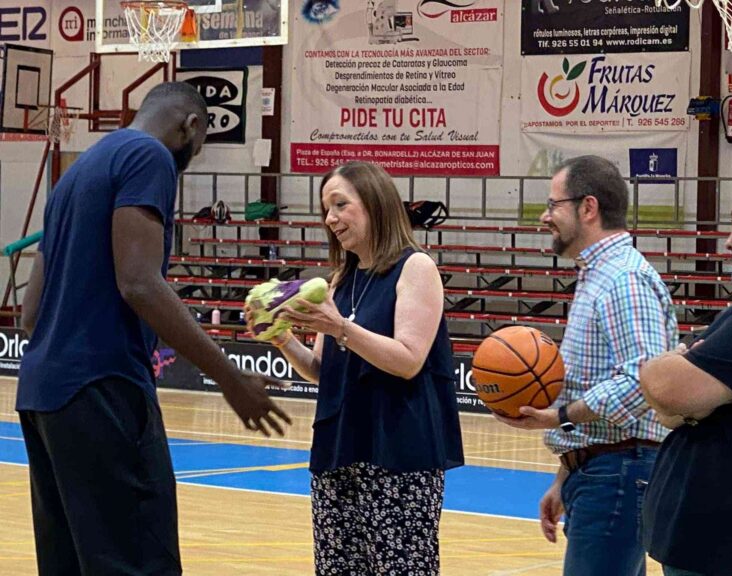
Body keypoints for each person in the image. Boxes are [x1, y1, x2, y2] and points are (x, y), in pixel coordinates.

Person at [17, 81, 291, 576]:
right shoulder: (149, 156)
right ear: (192, 125)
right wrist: (231, 380)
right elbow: (139, 283)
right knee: (141, 562)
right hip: (102, 388)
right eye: (202, 141)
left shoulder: (76, 174)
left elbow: (30, 315)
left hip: (42, 396)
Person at [261, 161, 464, 575]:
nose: (331, 218)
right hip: (340, 448)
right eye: (325, 210)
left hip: (399, 451)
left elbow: (408, 360)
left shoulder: (416, 268)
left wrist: (340, 326)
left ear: (375, 204)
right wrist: (280, 336)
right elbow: (322, 370)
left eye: (340, 205)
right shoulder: (338, 280)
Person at [493, 155, 678, 576]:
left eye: (554, 204)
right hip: (602, 469)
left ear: (588, 208)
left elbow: (641, 382)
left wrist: (559, 416)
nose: (545, 216)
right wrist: (564, 474)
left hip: (617, 474)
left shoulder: (623, 280)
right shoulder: (601, 275)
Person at [640, 179, 732, 576]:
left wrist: (680, 369)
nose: (728, 240)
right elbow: (668, 410)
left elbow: (665, 388)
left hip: (730, 555)